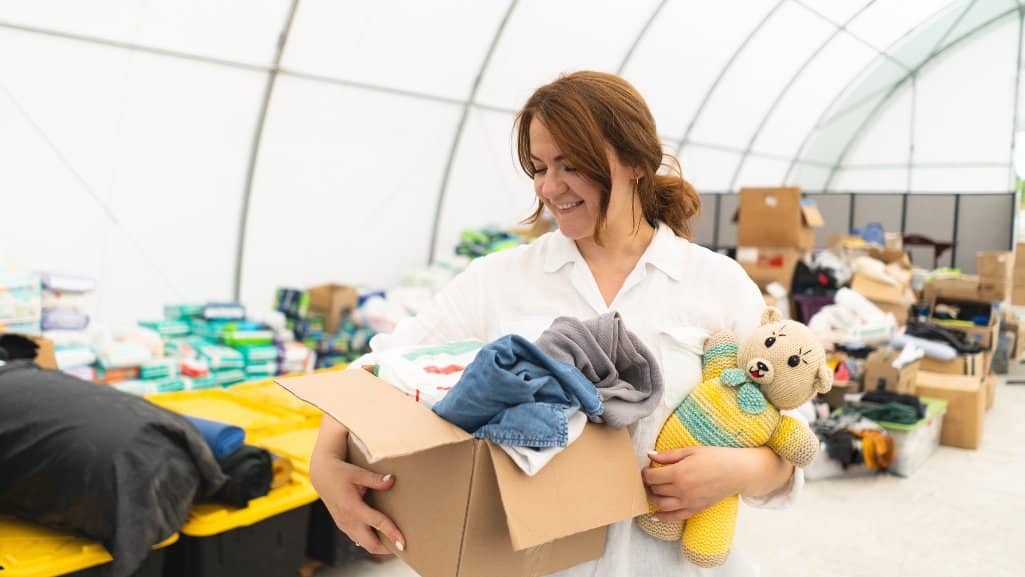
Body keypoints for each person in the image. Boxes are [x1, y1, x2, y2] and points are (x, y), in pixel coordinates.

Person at [309, 71, 804, 576]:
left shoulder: (716, 283)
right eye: (540, 167)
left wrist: (738, 470)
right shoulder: (499, 280)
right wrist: (324, 463)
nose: (549, 187)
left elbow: (790, 442)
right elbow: (380, 366)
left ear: (635, 161)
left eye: (571, 166)